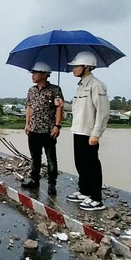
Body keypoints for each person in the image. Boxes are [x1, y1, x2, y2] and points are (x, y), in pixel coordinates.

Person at [66, 51, 110, 211]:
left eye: (76, 66)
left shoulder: (96, 85)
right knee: (81, 163)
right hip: (78, 130)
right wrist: (62, 104)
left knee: (92, 165)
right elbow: (77, 108)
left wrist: (96, 134)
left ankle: (96, 198)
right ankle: (84, 191)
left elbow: (103, 111)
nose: (73, 69)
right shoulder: (80, 86)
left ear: (87, 67)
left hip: (89, 133)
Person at [21, 61, 64, 196]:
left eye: (35, 73)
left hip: (49, 130)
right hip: (34, 130)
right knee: (35, 158)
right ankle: (34, 180)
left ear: (45, 74)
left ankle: (52, 184)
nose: (33, 75)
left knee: (51, 159)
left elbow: (59, 108)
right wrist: (27, 124)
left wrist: (57, 126)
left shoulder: (55, 90)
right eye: (32, 73)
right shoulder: (31, 90)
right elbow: (29, 107)